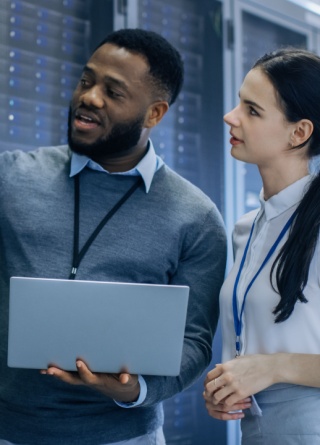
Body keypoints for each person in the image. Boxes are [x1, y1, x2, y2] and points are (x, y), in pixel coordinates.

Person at [0, 28, 227, 445]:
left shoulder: (196, 218)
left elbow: (194, 342)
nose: (89, 96)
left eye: (113, 91)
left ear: (154, 114)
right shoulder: (10, 177)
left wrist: (134, 389)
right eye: (86, 81)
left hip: (123, 437)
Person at [203, 47, 320, 444]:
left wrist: (274, 368)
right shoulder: (245, 228)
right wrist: (229, 387)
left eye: (252, 110)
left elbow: (273, 361)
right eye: (239, 103)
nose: (230, 117)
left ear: (299, 132)